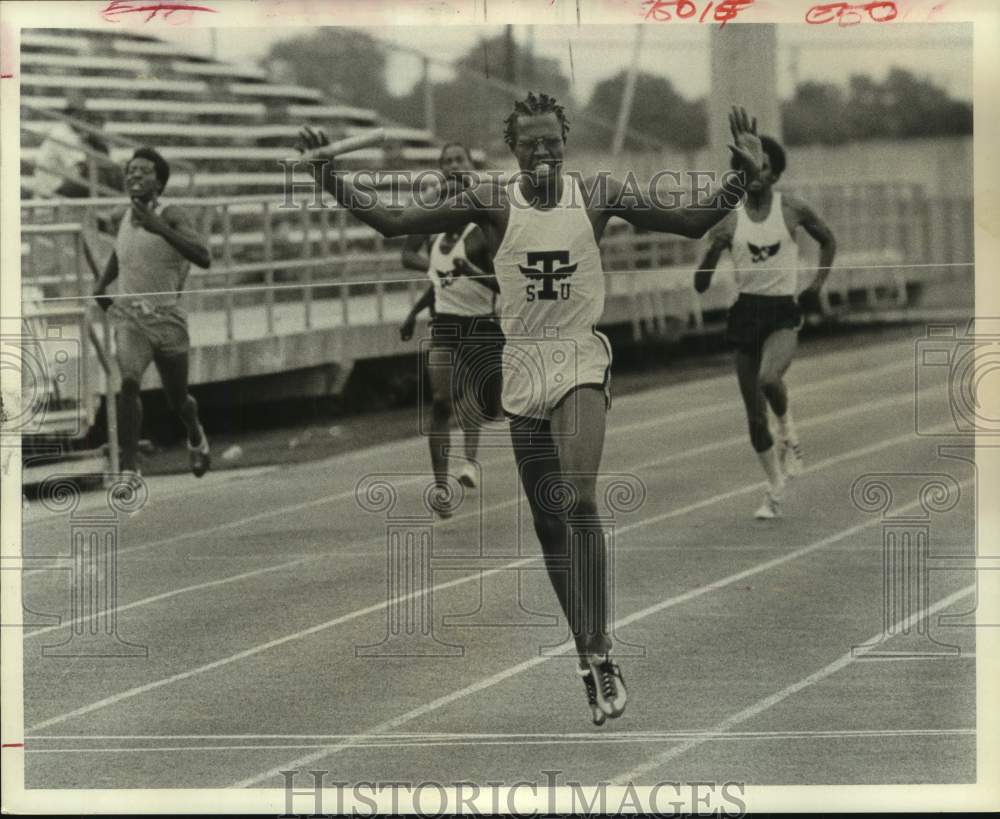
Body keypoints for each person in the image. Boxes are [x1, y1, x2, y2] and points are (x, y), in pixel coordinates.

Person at [297, 96, 763, 726]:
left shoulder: (595, 193)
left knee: (578, 498)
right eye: (531, 145)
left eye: (553, 142)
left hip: (578, 359)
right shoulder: (491, 201)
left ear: (565, 141)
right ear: (513, 149)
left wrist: (740, 175)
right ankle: (584, 652)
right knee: (548, 526)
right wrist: (329, 179)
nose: (544, 153)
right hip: (521, 364)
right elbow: (392, 221)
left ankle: (603, 644)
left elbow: (688, 221)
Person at [694, 135, 836, 520]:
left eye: (763, 167)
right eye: (747, 168)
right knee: (755, 420)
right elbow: (700, 284)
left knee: (769, 379)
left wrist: (817, 285)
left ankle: (790, 434)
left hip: (781, 313)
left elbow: (828, 240)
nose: (755, 174)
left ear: (775, 173)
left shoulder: (791, 208)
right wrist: (712, 251)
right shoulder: (729, 217)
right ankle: (774, 488)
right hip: (746, 314)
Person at [93, 147, 212, 485]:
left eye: (143, 171)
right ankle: (130, 469)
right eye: (131, 170)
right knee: (129, 381)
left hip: (168, 321)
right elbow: (123, 254)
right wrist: (103, 286)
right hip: (132, 320)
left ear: (159, 181)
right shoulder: (123, 216)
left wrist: (160, 227)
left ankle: (196, 433)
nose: (134, 175)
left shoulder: (172, 214)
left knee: (179, 400)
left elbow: (204, 256)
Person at [399, 142, 502, 508]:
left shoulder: (488, 214)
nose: (452, 166)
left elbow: (504, 281)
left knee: (479, 399)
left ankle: (470, 461)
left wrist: (473, 271)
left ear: (471, 164)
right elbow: (411, 257)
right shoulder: (435, 213)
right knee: (442, 399)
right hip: (444, 320)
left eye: (459, 159)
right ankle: (441, 486)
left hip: (482, 321)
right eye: (446, 162)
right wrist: (414, 313)